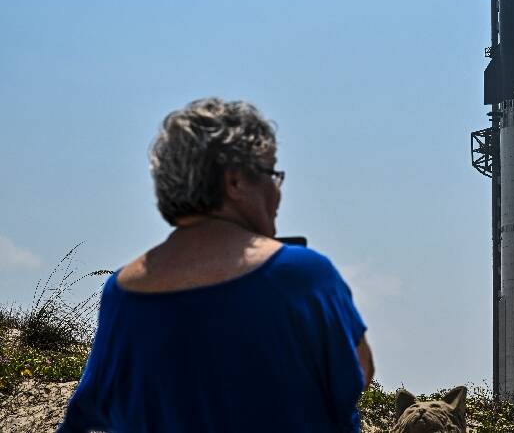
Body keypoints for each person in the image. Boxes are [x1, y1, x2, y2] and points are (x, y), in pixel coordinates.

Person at [60, 98, 374, 432]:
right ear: (235, 181)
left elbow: (92, 409)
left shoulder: (123, 292)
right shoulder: (301, 275)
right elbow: (358, 372)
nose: (277, 191)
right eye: (271, 174)